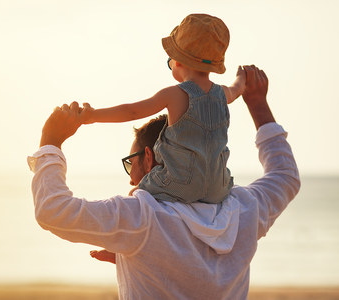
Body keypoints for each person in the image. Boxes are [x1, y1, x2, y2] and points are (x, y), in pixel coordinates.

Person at [27, 66, 300, 299]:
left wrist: (50, 142)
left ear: (149, 157)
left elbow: (53, 211)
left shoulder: (142, 219)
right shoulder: (244, 210)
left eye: (130, 162)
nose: (132, 178)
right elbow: (284, 176)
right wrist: (257, 103)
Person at [80, 14, 246, 204]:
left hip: (180, 185)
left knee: (136, 194)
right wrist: (241, 76)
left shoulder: (175, 94)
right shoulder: (223, 94)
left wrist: (92, 116)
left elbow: (131, 111)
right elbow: (237, 88)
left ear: (178, 61)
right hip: (219, 188)